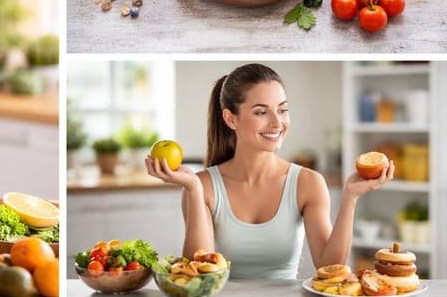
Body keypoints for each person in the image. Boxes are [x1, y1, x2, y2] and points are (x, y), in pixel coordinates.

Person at [146, 63, 394, 279]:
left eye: (283, 109)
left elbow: (330, 266)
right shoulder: (204, 185)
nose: (277, 123)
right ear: (231, 119)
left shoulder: (307, 183)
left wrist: (350, 197)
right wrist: (192, 189)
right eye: (261, 112)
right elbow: (196, 274)